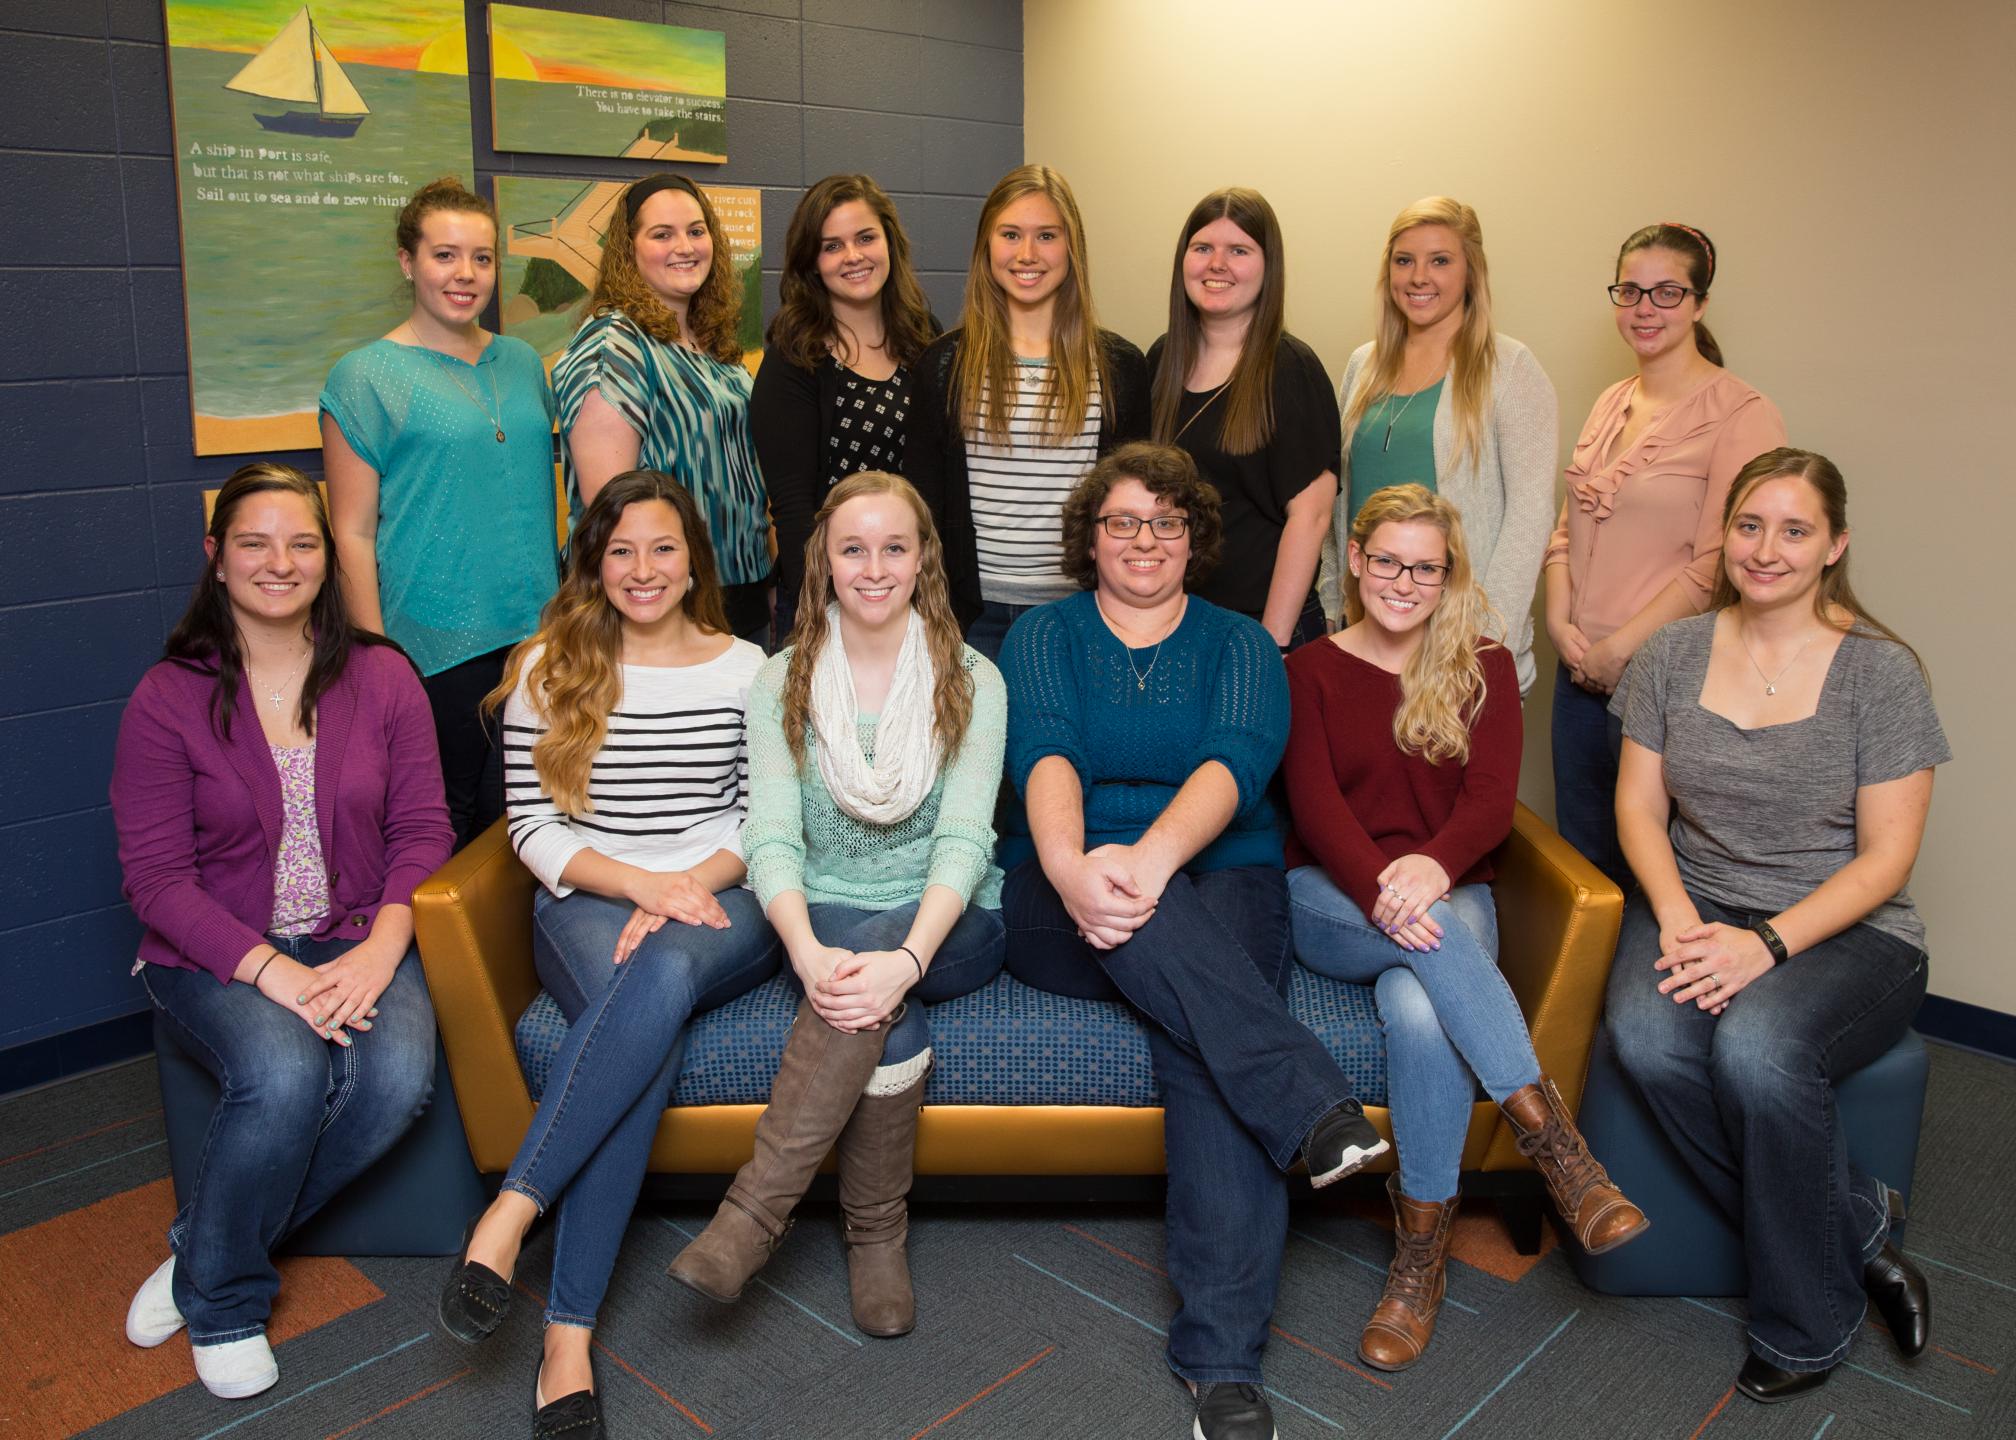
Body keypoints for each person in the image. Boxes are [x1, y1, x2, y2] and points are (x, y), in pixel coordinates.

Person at [999, 442, 1389, 1440]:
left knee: (1198, 1035)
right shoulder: (1041, 635)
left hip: (1218, 872)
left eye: (1165, 523)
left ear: (1194, 539)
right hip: (1062, 885)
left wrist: (1149, 861)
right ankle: (1312, 1108)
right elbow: (1045, 753)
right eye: (1122, 520)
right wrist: (1075, 866)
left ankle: (1220, 1361)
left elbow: (1238, 762)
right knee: (1200, 986)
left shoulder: (1243, 647)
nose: (1143, 540)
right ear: (1090, 535)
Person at [435, 471, 774, 1438]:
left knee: (658, 971)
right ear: (594, 561)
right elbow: (532, 826)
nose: (642, 569)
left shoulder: (747, 667)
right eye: (619, 550)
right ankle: (567, 1337)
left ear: (693, 559)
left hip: (723, 895)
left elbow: (763, 819)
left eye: (663, 548)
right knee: (649, 1010)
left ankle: (507, 1221)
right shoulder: (551, 662)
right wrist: (637, 886)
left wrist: (688, 885)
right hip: (589, 897)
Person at [1605, 448, 1944, 1404]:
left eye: (1794, 530)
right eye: (1750, 525)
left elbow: (1887, 860)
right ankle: (1860, 1231)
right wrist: (1676, 918)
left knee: (1756, 1053)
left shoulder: (1882, 676)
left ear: (1834, 545)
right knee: (1644, 1037)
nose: (1766, 549)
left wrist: (1768, 945)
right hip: (1700, 903)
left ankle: (1808, 1320)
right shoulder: (1673, 652)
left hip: (1848, 930)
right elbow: (1639, 809)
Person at [1283, 484, 1646, 1373]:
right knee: (1429, 937)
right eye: (1388, 562)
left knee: (1416, 1010)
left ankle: (1417, 1262)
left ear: (1449, 577)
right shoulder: (1309, 670)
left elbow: (1490, 807)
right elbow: (1319, 813)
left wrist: (1434, 869)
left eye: (1426, 567)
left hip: (1449, 892)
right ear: (1356, 562)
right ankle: (1560, 1151)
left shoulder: (1482, 663)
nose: (1404, 581)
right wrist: (1387, 885)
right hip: (1329, 899)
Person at [114, 463, 451, 1401]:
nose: (281, 562)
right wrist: (274, 974)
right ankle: (222, 1300)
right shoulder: (168, 697)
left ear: (326, 560)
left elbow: (423, 829)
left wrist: (381, 951)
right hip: (216, 952)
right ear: (217, 559)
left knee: (395, 1080)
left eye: (303, 542)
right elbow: (155, 880)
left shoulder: (382, 677)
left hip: (356, 935)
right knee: (286, 1072)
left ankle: (200, 1244)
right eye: (255, 542)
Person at [669, 471, 1007, 1339]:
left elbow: (964, 844)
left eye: (894, 547)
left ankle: (751, 1217)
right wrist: (806, 952)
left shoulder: (974, 679)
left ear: (923, 557)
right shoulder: (780, 680)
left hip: (949, 922)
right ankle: (876, 1235)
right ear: (823, 557)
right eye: (853, 548)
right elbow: (772, 838)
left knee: (879, 959)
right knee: (878, 1005)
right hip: (823, 920)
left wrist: (905, 959)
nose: (873, 568)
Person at [1542, 222, 1787, 883]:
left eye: (1667, 292)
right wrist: (1560, 625)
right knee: (1587, 867)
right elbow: (1566, 531)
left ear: (1700, 303)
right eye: (1631, 290)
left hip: (1667, 680)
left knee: (1660, 871)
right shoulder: (1610, 400)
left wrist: (1619, 648)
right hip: (1577, 674)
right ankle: (1588, 991)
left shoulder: (1742, 413)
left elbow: (1720, 564)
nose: (1645, 307)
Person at [321, 176, 560, 849]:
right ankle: (432, 959)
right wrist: (375, 659)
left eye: (482, 258)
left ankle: (517, 960)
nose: (467, 274)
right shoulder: (364, 376)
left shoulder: (520, 362)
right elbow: (351, 528)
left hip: (538, 636)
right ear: (408, 262)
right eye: (445, 255)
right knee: (441, 826)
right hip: (434, 643)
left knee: (529, 822)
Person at [906, 163, 1150, 656]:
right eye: (1010, 234)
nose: (1027, 254)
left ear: (1071, 248)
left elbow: (1134, 507)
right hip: (972, 618)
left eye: (1046, 236)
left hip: (1086, 613)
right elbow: (922, 506)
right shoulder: (944, 364)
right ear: (986, 247)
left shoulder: (1119, 366)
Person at [1326, 197, 1557, 695]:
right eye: (1404, 260)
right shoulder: (1361, 365)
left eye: (1440, 260)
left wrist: (1485, 642)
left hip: (1460, 644)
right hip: (1367, 630)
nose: (1418, 277)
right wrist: (1335, 610)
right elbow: (1339, 504)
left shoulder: (1510, 369)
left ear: (1471, 271)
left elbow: (1530, 516)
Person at [552, 174, 772, 641]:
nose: (685, 246)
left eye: (696, 231)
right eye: (662, 234)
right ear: (628, 249)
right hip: (662, 602)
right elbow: (611, 507)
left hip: (738, 588)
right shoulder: (615, 344)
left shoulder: (713, 344)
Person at [1148, 186, 1338, 651]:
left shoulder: (1290, 369)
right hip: (1175, 622)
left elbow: (1310, 517)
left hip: (1261, 627)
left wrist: (1268, 642)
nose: (1218, 264)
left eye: (1239, 250)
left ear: (1268, 266)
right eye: (1203, 248)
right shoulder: (1160, 360)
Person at [753, 173, 938, 645]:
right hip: (826, 602)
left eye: (865, 238)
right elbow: (792, 508)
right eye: (832, 246)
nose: (853, 256)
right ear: (812, 263)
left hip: (914, 592)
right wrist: (823, 610)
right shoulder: (794, 356)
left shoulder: (925, 339)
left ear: (889, 243)